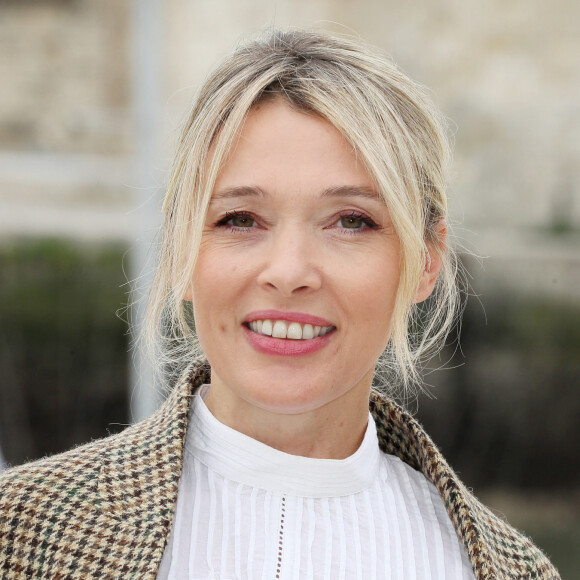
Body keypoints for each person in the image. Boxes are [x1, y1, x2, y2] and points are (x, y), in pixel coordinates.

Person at [0, 29, 559, 579]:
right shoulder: (20, 531)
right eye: (239, 219)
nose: (289, 272)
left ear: (427, 260)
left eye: (350, 221)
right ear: (180, 249)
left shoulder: (508, 570)